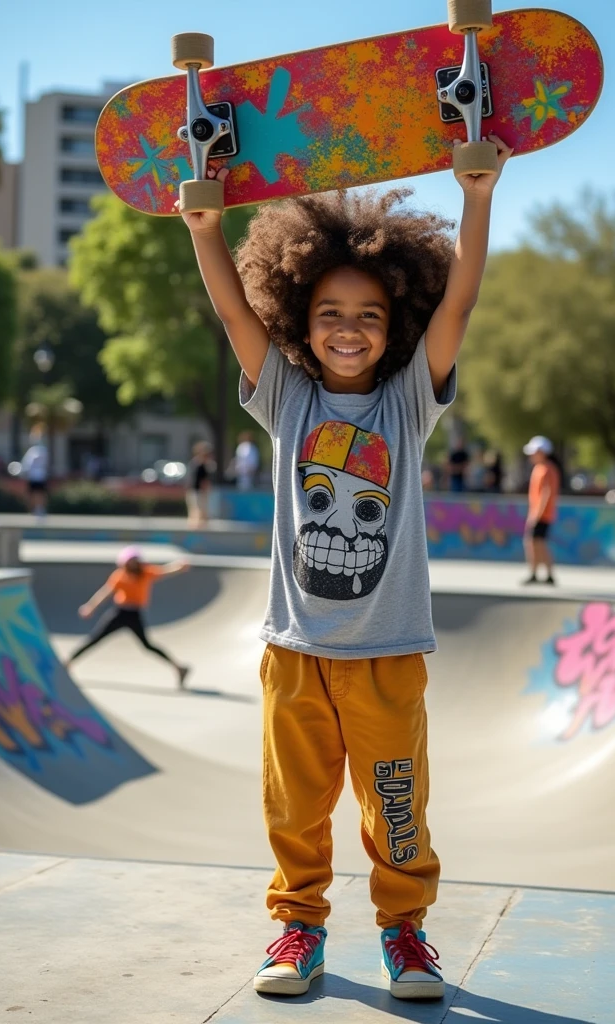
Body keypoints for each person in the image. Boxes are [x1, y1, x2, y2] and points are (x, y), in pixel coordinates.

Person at [180, 131, 512, 1000]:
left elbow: (462, 308)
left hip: (389, 650)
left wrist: (476, 196)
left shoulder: (408, 404)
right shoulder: (287, 398)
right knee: (293, 810)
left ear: (394, 322)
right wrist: (204, 229)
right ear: (300, 317)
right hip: (295, 651)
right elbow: (230, 316)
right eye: (330, 313)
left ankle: (405, 935)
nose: (350, 330)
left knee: (397, 807)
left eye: (369, 315)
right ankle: (298, 932)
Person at [65, 546, 191, 686]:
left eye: (135, 561)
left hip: (134, 615)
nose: (133, 564)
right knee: (96, 638)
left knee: (147, 645)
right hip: (120, 613)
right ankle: (68, 663)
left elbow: (163, 571)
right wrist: (91, 606)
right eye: (130, 562)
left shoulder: (146, 571)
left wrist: (178, 567)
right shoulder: (120, 575)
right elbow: (105, 592)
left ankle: (178, 668)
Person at [522, 435, 560, 585]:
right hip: (537, 513)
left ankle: (537, 572)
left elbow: (547, 493)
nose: (531, 455)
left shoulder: (547, 469)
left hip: (542, 514)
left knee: (535, 543)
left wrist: (537, 515)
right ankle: (540, 573)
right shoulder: (539, 468)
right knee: (536, 543)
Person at [20, 424, 50, 517]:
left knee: (36, 494)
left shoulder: (35, 451)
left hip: (36, 476)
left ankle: (37, 509)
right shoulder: (43, 450)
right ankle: (37, 509)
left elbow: (27, 464)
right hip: (38, 476)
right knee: (37, 494)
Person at [185, 441, 214, 526]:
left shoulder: (203, 465)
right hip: (196, 490)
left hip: (198, 490)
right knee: (197, 510)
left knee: (200, 510)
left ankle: (199, 526)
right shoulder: (197, 464)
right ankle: (196, 527)